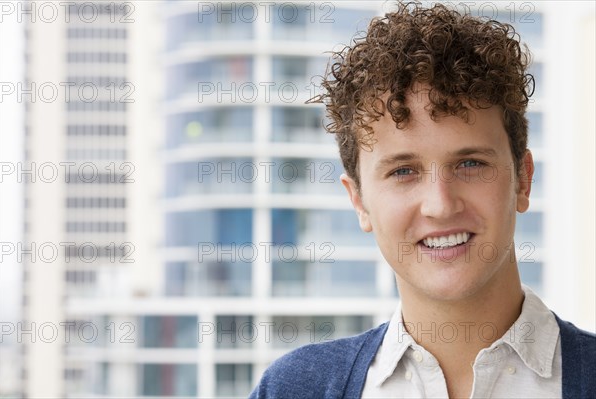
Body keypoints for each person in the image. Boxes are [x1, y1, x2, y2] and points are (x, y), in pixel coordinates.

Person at [250, 3, 595, 398]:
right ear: (359, 200)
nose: (440, 204)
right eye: (403, 171)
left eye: (469, 163)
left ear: (523, 180)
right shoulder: (295, 389)